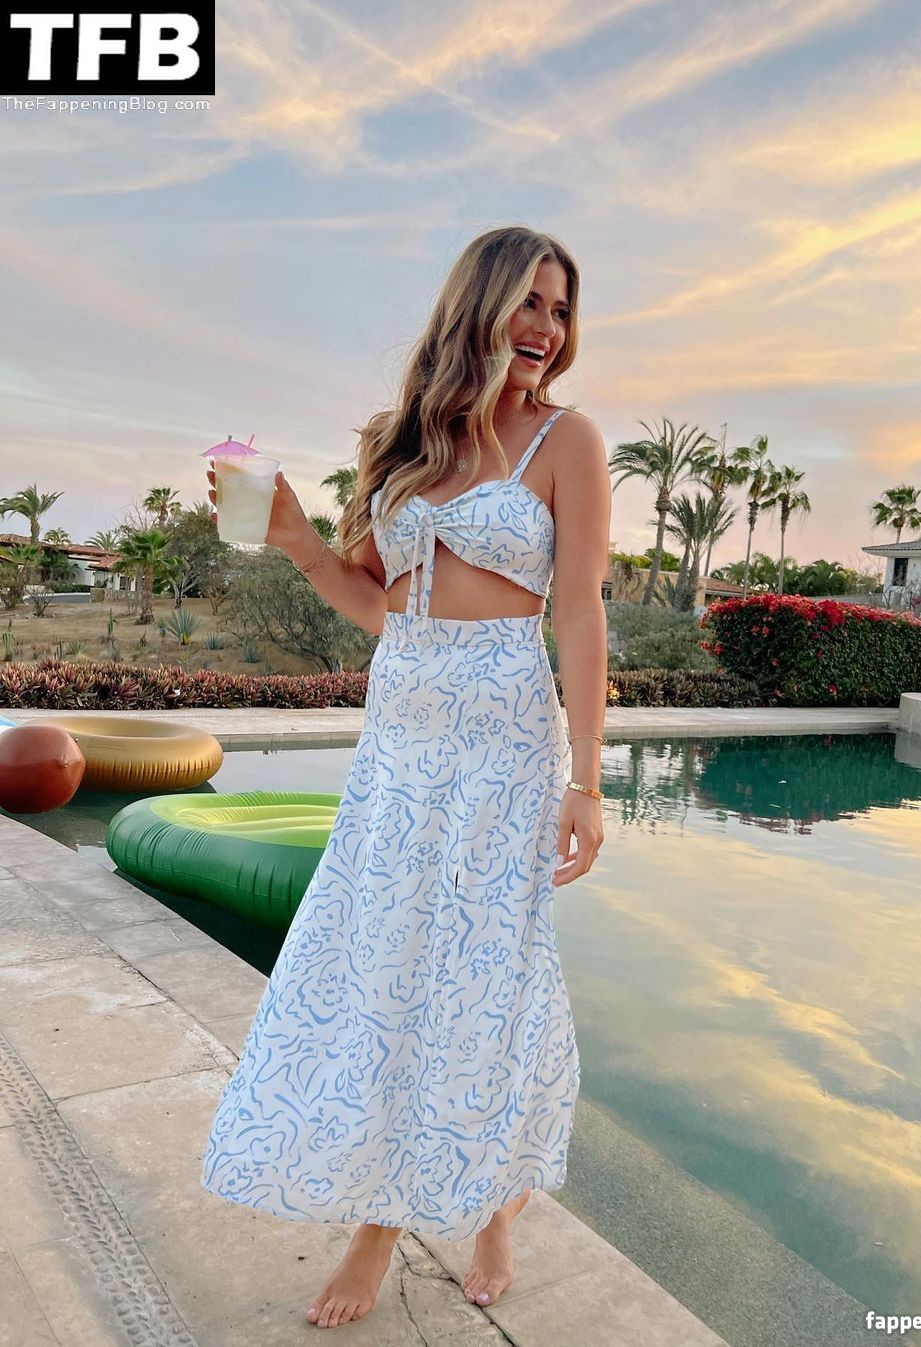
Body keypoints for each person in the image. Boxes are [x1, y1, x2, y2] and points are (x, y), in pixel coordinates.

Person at [200, 225, 611, 1330]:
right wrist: (294, 536)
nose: (546, 328)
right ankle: (417, 1212)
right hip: (402, 739)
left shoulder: (566, 440)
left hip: (502, 745)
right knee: (381, 971)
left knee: (476, 983)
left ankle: (459, 1215)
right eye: (529, 302)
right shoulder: (403, 443)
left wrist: (586, 778)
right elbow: (379, 604)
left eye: (560, 310)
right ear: (477, 304)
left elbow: (577, 612)